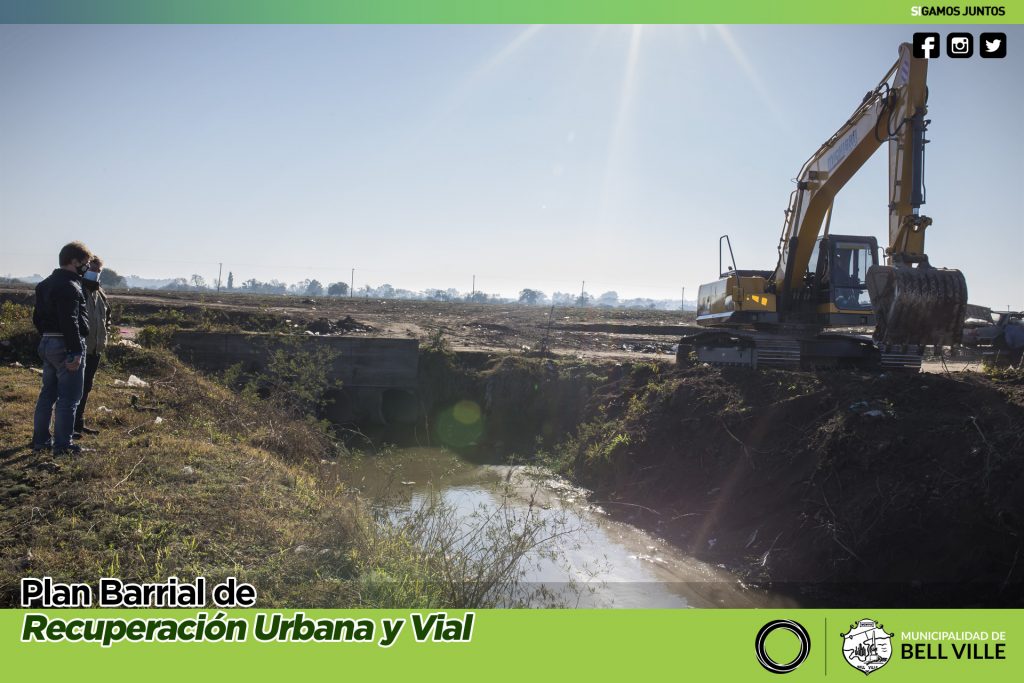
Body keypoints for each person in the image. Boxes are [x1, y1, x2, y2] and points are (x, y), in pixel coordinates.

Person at [32, 241, 92, 455]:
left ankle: (40, 442)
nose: (86, 267)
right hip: (66, 344)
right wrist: (75, 351)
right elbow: (70, 320)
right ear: (74, 261)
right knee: (69, 398)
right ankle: (63, 446)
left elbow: (36, 318)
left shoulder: (44, 284)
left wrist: (47, 338)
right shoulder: (70, 286)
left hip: (47, 341)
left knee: (47, 393)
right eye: (84, 263)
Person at [75, 255, 112, 437]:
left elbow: (107, 318)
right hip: (80, 347)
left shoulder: (101, 293)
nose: (95, 274)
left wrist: (105, 335)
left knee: (86, 386)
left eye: (98, 271)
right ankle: (68, 425)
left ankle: (78, 423)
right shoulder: (77, 290)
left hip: (95, 348)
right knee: (74, 388)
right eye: (92, 269)